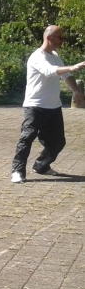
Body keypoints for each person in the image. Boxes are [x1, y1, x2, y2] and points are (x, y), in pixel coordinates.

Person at [10, 25, 85, 183]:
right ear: (49, 38)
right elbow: (50, 71)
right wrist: (72, 66)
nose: (62, 41)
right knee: (27, 137)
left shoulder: (55, 55)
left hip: (54, 107)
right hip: (35, 106)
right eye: (60, 38)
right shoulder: (37, 57)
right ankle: (17, 171)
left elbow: (67, 76)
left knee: (58, 142)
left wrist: (76, 91)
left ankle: (41, 166)